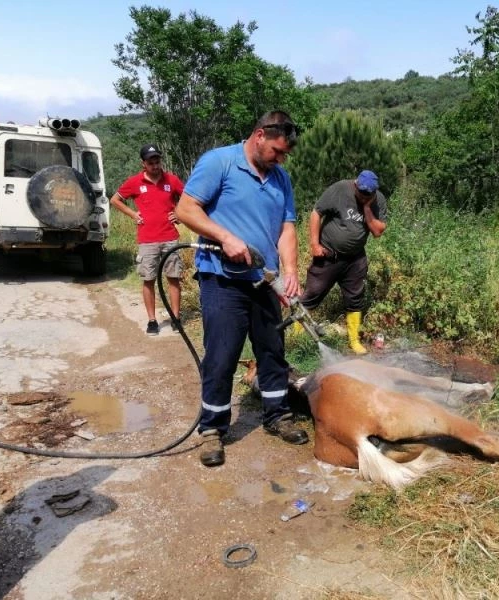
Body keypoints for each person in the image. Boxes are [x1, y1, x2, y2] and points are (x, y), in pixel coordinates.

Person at [175, 110, 308, 467]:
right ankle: (212, 429)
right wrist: (225, 236)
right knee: (222, 355)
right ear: (260, 135)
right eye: (277, 151)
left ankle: (278, 414)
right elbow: (186, 209)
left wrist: (290, 271)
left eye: (285, 155)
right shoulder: (219, 162)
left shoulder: (280, 178)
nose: (281, 159)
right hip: (222, 279)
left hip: (265, 280)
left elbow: (287, 228)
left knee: (272, 350)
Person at [298, 170, 388, 354]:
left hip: (355, 258)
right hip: (328, 255)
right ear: (355, 185)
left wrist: (367, 208)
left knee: (355, 299)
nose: (364, 196)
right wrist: (314, 244)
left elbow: (378, 231)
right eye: (361, 193)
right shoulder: (340, 189)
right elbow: (316, 213)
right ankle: (296, 338)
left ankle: (354, 341)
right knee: (312, 294)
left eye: (368, 194)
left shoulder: (378, 200)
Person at [110, 145, 185, 336]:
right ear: (143, 163)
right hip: (147, 240)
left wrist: (179, 214)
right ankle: (152, 321)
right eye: (151, 163)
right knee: (148, 280)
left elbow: (188, 198)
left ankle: (176, 318)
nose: (155, 166)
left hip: (170, 237)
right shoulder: (135, 182)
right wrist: (133, 214)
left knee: (174, 278)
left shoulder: (172, 180)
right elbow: (115, 200)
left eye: (157, 161)